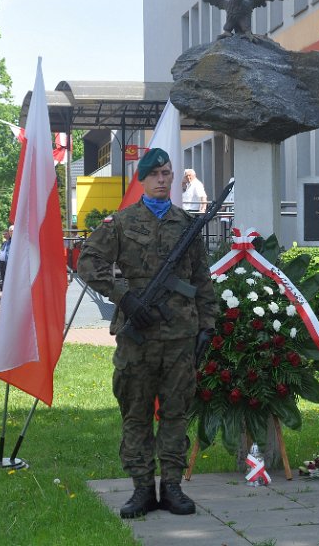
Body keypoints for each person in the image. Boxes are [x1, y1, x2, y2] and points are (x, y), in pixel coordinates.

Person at [78, 148, 218, 518]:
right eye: (154, 173)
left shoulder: (188, 225)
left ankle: (171, 487)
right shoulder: (121, 223)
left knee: (175, 414)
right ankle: (142, 489)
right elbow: (88, 262)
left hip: (179, 338)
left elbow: (202, 280)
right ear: (142, 178)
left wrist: (208, 325)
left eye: (167, 173)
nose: (161, 179)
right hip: (137, 337)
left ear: (174, 178)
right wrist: (125, 298)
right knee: (136, 414)